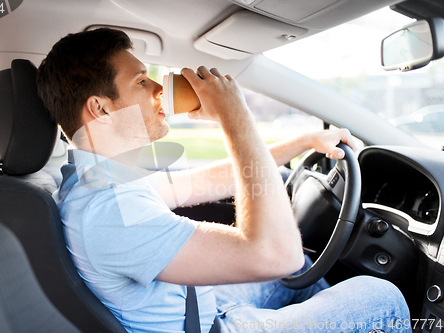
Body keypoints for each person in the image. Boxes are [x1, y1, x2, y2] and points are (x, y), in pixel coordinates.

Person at [36, 28, 411, 333]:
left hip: (200, 303)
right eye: (140, 81)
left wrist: (301, 142)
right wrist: (235, 117)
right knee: (379, 295)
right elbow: (277, 254)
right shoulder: (109, 210)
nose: (157, 90)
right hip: (206, 327)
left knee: (302, 273)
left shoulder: (97, 177)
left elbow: (201, 183)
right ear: (100, 108)